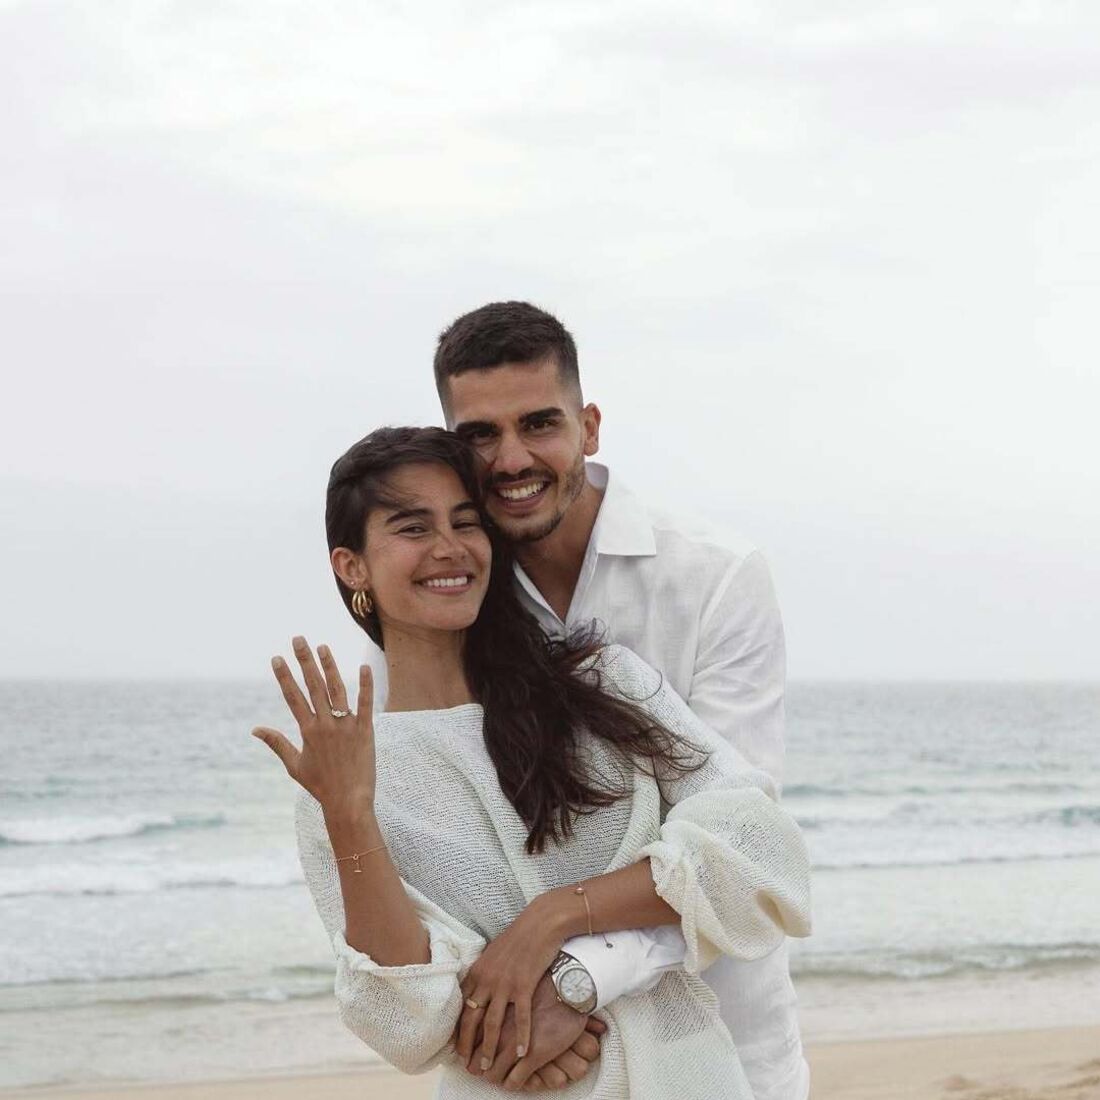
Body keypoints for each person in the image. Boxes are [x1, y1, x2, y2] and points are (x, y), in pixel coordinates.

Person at [254, 425, 811, 1098]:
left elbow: (760, 852)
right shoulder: (347, 778)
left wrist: (559, 927)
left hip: (689, 1075)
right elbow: (408, 1023)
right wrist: (349, 814)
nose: (449, 548)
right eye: (412, 528)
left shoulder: (602, 684)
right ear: (352, 566)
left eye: (467, 522)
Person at [398, 301, 805, 1099]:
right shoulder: (441, 606)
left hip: (719, 1051)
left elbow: (740, 851)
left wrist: (565, 950)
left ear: (589, 425)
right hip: (529, 1069)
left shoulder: (715, 576)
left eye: (539, 424)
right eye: (481, 435)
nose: (511, 458)